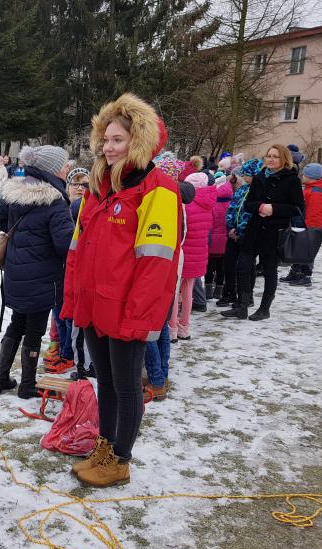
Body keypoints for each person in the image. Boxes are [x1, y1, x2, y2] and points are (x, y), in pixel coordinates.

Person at [62, 93, 181, 487]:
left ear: (139, 142)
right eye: (106, 139)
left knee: (128, 386)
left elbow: (156, 263)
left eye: (118, 140)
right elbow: (77, 250)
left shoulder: (157, 189)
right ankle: (105, 446)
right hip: (95, 307)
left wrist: (138, 317)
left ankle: (120, 460)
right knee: (106, 383)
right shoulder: (98, 186)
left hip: (127, 310)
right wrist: (73, 298)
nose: (108, 148)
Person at [0, 145, 74, 396]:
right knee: (35, 330)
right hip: (42, 277)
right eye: (63, 165)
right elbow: (64, 244)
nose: (67, 168)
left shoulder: (13, 190)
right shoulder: (55, 200)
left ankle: (1, 378)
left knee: (17, 323)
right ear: (50, 169)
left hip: (16, 272)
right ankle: (27, 385)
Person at [222, 145, 303, 321]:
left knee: (269, 270)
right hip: (254, 229)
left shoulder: (291, 180)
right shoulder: (260, 177)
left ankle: (264, 308)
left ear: (284, 159)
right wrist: (259, 206)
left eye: (276, 156)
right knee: (243, 265)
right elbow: (248, 203)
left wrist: (273, 209)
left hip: (274, 232)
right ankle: (242, 306)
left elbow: (297, 208)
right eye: (269, 156)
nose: (271, 159)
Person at [169, 172, 215, 341]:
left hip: (184, 254)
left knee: (174, 293)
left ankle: (172, 328)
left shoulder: (185, 204)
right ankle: (184, 327)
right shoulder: (208, 204)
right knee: (188, 292)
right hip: (200, 254)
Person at [217, 159, 262, 308]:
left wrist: (239, 230)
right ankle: (229, 292)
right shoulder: (242, 189)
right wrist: (229, 228)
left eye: (247, 175)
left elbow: (250, 214)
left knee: (246, 267)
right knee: (228, 263)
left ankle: (246, 296)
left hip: (246, 235)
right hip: (231, 233)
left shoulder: (258, 191)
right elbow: (233, 208)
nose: (244, 177)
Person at [65, 167, 93, 380]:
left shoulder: (85, 206)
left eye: (85, 184)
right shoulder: (71, 207)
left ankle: (85, 366)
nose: (81, 188)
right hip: (76, 282)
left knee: (82, 330)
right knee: (76, 329)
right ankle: (81, 365)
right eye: (76, 184)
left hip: (88, 283)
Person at [282, 162, 322, 287]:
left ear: (311, 176)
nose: (302, 176)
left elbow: (314, 212)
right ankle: (295, 272)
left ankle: (305, 276)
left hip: (310, 226)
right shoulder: (310, 188)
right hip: (303, 224)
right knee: (299, 249)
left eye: (304, 174)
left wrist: (309, 229)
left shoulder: (316, 192)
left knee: (307, 250)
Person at [205, 172, 234, 300]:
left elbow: (209, 223)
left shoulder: (212, 204)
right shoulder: (231, 204)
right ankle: (219, 290)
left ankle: (208, 291)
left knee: (209, 266)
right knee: (221, 266)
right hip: (225, 241)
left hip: (212, 241)